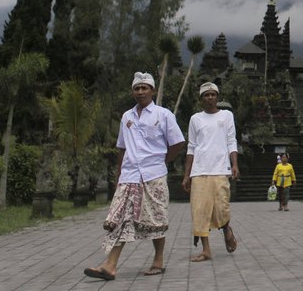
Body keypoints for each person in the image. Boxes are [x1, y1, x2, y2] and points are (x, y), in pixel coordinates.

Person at [83, 72, 185, 281]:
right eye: (137, 88)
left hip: (154, 174)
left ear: (152, 90)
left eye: (144, 88)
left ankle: (158, 260)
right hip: (129, 176)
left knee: (156, 219)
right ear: (133, 91)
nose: (140, 92)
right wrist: (119, 173)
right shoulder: (127, 116)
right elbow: (121, 147)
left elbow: (178, 142)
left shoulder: (163, 114)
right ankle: (110, 265)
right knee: (121, 218)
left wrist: (162, 160)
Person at [182, 82, 239, 262]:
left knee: (222, 207)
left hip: (221, 168)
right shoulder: (195, 119)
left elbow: (231, 141)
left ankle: (226, 229)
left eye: (213, 94)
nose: (210, 97)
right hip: (199, 170)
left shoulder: (226, 116)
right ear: (201, 99)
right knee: (199, 210)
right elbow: (191, 147)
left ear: (217, 97)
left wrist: (235, 164)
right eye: (206, 95)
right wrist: (186, 175)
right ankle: (206, 250)